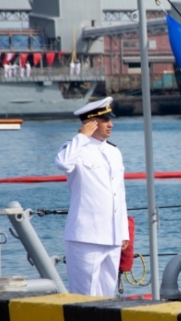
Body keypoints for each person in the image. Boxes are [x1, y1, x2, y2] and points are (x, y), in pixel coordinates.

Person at [55, 96, 129, 296]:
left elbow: (119, 195)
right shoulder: (74, 148)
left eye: (110, 120)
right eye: (105, 120)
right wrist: (81, 137)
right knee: (83, 296)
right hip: (85, 237)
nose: (110, 125)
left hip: (112, 236)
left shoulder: (114, 152)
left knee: (107, 296)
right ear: (91, 123)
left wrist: (123, 232)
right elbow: (62, 163)